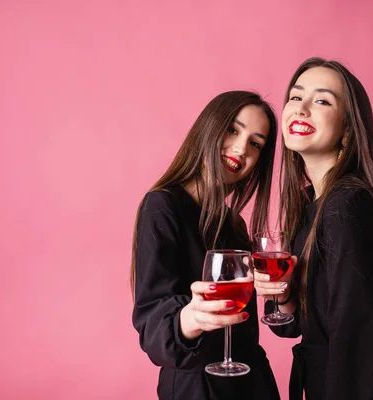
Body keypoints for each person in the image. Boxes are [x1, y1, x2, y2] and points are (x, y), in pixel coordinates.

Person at [254, 58, 373, 399]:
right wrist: (285, 296)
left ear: (348, 129)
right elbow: (298, 327)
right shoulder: (310, 206)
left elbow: (356, 337)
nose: (300, 109)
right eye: (295, 97)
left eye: (321, 101)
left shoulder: (348, 203)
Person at [131, 91, 281, 400]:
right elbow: (153, 321)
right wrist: (193, 317)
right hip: (197, 388)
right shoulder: (162, 206)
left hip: (252, 383)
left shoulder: (234, 225)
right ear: (209, 127)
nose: (241, 149)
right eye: (233, 129)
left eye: (255, 143)